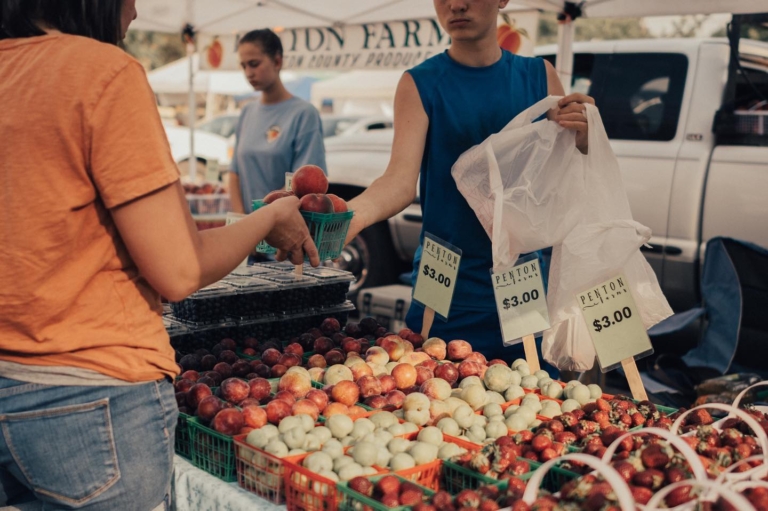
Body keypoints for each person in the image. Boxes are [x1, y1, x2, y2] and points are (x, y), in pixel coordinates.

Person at [0, 1, 318, 509]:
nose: (135, 9)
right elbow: (179, 269)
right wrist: (267, 221)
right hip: (90, 397)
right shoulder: (100, 73)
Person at [345, 0, 595, 365]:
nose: (456, 4)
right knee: (433, 400)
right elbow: (399, 183)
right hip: (443, 279)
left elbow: (563, 176)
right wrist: (346, 216)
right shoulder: (420, 83)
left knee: (531, 399)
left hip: (521, 277)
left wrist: (584, 136)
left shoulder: (539, 76)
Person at [229, 29, 326, 214]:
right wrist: (241, 220)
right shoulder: (247, 112)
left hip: (284, 228)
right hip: (248, 229)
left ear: (277, 61)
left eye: (254, 64)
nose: (249, 72)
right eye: (244, 66)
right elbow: (234, 173)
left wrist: (265, 220)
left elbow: (305, 185)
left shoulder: (304, 114)